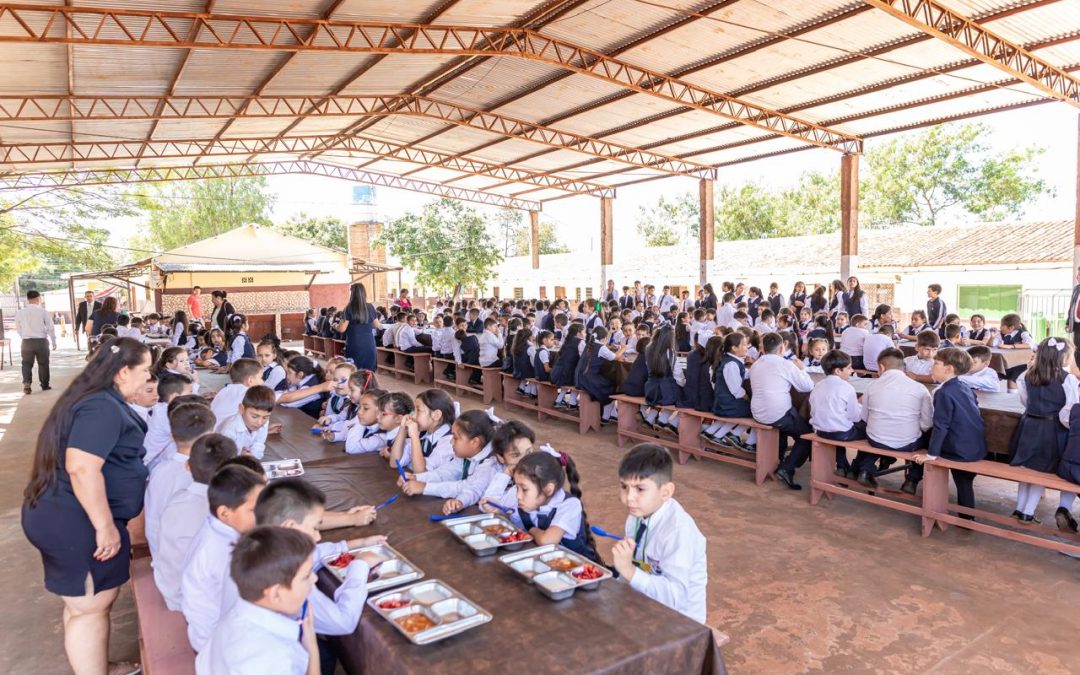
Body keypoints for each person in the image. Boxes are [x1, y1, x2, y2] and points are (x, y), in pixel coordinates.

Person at [21, 337, 151, 675]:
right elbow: (81, 467)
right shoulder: (101, 407)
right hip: (78, 520)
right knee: (90, 608)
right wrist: (105, 526)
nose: (148, 378)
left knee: (82, 606)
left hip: (67, 514)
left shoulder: (96, 399)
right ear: (124, 372)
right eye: (145, 370)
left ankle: (94, 665)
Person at [252, 479, 385, 675]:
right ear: (290, 526)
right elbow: (343, 622)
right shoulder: (292, 576)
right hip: (276, 657)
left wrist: (356, 544)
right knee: (325, 656)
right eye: (314, 528)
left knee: (325, 654)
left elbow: (315, 553)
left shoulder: (262, 547)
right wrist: (360, 567)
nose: (318, 536)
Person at [195, 527, 320, 675]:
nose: (315, 579)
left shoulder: (232, 618)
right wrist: (312, 646)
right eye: (306, 576)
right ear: (275, 594)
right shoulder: (277, 659)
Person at [610, 443, 707, 624]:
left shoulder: (678, 531)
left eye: (640, 489)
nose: (629, 497)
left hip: (680, 622)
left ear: (666, 492)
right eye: (624, 486)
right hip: (646, 603)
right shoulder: (636, 515)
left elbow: (675, 597)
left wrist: (629, 571)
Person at [182, 464, 266, 653]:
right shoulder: (220, 554)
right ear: (225, 513)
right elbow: (208, 622)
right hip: (220, 647)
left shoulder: (220, 529)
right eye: (253, 510)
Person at [153, 435, 237, 609]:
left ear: (187, 466)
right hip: (194, 601)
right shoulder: (223, 511)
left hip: (170, 587)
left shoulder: (178, 499)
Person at [911, 348, 987, 514]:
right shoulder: (963, 386)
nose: (932, 365)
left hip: (958, 449)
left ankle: (963, 517)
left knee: (922, 440)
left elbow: (941, 425)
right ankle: (966, 518)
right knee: (964, 481)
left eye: (936, 363)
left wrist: (931, 455)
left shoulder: (944, 392)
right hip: (974, 446)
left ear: (949, 368)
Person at [1010, 337, 1075, 522]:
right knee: (1042, 471)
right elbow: (1070, 409)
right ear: (1062, 357)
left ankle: (1019, 508)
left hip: (1028, 425)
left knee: (1026, 468)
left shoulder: (1027, 375)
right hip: (1052, 429)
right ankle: (1028, 513)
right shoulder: (1067, 379)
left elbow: (1024, 401)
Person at [853, 348, 933, 494]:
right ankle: (912, 480)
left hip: (876, 439)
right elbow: (927, 424)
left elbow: (864, 417)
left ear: (881, 367)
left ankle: (865, 469)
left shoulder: (872, 386)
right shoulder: (920, 388)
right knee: (930, 438)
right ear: (903, 367)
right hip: (908, 443)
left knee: (876, 432)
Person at [144, 401, 216, 556]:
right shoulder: (198, 475)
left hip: (160, 557)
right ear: (211, 437)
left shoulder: (159, 470)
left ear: (171, 435)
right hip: (186, 564)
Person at [511, 448, 601, 563]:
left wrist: (532, 530)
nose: (518, 495)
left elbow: (547, 541)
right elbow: (514, 525)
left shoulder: (569, 505)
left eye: (524, 489)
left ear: (548, 489)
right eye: (516, 488)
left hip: (582, 569)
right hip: (551, 564)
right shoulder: (527, 502)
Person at [750, 332, 815, 489]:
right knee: (807, 435)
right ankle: (787, 468)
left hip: (758, 413)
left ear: (762, 349)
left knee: (788, 420)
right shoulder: (785, 364)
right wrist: (802, 369)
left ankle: (778, 458)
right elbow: (807, 386)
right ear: (782, 349)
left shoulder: (756, 364)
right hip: (776, 414)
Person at [400, 410, 494, 515]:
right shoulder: (467, 454)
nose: (451, 442)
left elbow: (467, 487)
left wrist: (425, 487)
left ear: (474, 442)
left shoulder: (490, 463)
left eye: (455, 438)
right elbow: (445, 473)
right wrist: (417, 478)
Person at [809, 350, 865, 481]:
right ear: (838, 371)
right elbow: (855, 417)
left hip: (820, 431)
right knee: (871, 432)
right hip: (841, 434)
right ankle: (857, 468)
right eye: (849, 368)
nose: (852, 370)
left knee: (837, 425)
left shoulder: (817, 385)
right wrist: (860, 405)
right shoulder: (847, 387)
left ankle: (842, 466)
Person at [387, 388, 456, 473]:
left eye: (418, 410)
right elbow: (394, 463)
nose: (413, 416)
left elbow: (420, 473)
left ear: (436, 415)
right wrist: (403, 429)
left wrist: (414, 436)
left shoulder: (449, 442)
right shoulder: (425, 434)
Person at [217, 385, 277, 460]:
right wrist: (239, 456)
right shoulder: (228, 430)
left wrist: (253, 457)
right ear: (241, 409)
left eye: (265, 417)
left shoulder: (264, 423)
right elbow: (222, 456)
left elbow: (258, 444)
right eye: (254, 416)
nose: (260, 422)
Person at [15, 290, 57, 395]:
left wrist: (24, 336)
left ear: (28, 299)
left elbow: (18, 328)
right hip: (41, 341)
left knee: (26, 364)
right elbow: (50, 328)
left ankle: (27, 383)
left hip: (26, 342)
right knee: (43, 363)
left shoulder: (20, 312)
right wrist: (53, 340)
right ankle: (44, 385)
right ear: (38, 299)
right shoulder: (43, 312)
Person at [335, 283, 381, 371]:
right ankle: (368, 384)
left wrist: (335, 326)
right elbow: (376, 325)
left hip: (355, 342)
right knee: (368, 370)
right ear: (364, 293)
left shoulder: (348, 308)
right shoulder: (370, 307)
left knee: (354, 370)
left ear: (352, 294)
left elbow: (341, 329)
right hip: (368, 342)